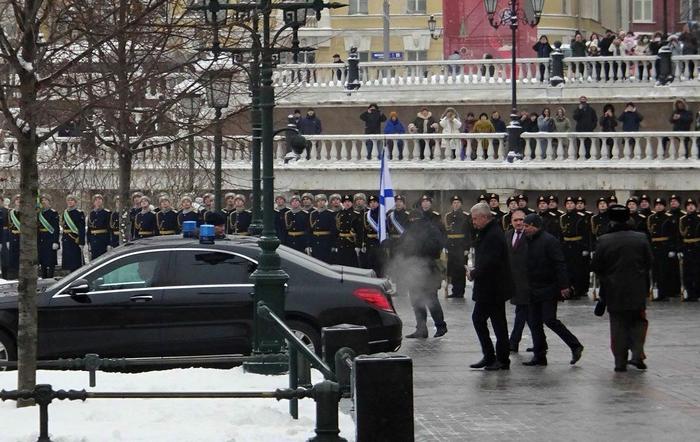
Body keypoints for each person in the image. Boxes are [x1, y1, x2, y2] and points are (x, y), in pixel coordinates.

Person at [591, 204, 652, 372]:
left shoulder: (604, 240)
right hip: (637, 288)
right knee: (638, 321)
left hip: (613, 289)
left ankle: (620, 362)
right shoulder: (641, 238)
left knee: (618, 325)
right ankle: (637, 354)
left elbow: (596, 265)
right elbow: (649, 262)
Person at [522, 213, 584, 367]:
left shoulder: (550, 241)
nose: (525, 229)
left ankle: (575, 345)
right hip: (532, 287)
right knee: (534, 322)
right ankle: (539, 356)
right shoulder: (526, 241)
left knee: (549, 320)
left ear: (535, 226)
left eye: (527, 226)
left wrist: (564, 286)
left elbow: (560, 264)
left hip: (549, 287)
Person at [467, 202, 513, 371]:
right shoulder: (487, 232)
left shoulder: (493, 234)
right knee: (496, 322)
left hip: (493, 287)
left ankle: (496, 358)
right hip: (490, 286)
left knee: (483, 320)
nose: (474, 222)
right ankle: (495, 357)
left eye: (475, 219)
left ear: (485, 217)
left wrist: (473, 273)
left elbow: (490, 262)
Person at [400, 195, 447, 339]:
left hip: (428, 268)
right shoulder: (410, 230)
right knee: (416, 299)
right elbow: (403, 247)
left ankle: (440, 326)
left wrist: (421, 250)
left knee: (430, 298)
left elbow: (437, 245)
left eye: (415, 220)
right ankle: (421, 328)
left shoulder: (431, 228)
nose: (413, 222)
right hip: (413, 269)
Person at [506, 209, 530, 353]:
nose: (519, 223)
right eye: (516, 220)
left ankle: (513, 342)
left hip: (528, 280)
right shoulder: (508, 235)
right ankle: (540, 343)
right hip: (514, 280)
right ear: (511, 222)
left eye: (521, 220)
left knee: (521, 311)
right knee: (528, 315)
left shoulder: (530, 235)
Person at [647, 198, 680, 301]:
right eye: (656, 205)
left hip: (665, 247)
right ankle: (660, 293)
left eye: (661, 205)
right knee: (656, 271)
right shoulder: (651, 218)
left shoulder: (669, 218)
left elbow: (674, 235)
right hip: (654, 247)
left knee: (664, 271)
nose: (658, 206)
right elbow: (649, 234)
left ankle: (664, 293)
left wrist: (672, 249)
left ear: (664, 206)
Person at [444, 195, 471, 298]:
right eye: (454, 203)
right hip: (451, 245)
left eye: (458, 202)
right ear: (452, 205)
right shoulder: (448, 216)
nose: (456, 204)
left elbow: (468, 233)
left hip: (461, 245)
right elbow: (446, 232)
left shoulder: (466, 215)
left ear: (461, 204)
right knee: (452, 269)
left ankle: (460, 291)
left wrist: (466, 248)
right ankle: (455, 290)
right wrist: (445, 245)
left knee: (460, 269)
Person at [679, 198, 700, 301]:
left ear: (696, 207)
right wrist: (680, 250)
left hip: (697, 248)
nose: (690, 207)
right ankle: (690, 294)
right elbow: (680, 236)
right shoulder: (682, 219)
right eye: (688, 205)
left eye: (692, 205)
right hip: (687, 248)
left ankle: (697, 293)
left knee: (697, 272)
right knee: (687, 273)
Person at [334, 194, 361, 267]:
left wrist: (358, 245)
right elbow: (336, 231)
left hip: (351, 243)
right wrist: (335, 244)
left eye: (349, 201)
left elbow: (359, 231)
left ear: (352, 203)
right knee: (341, 264)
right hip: (341, 242)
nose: (347, 203)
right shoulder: (339, 214)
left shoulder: (356, 214)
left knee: (351, 264)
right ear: (342, 203)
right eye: (345, 202)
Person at [309, 194, 336, 264]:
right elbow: (310, 230)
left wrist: (333, 245)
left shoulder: (330, 213)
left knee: (326, 261)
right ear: (316, 203)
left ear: (325, 202)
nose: (320, 202)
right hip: (315, 242)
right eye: (318, 201)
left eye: (322, 201)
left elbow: (333, 230)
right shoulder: (313, 214)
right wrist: (309, 244)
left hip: (326, 241)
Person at [62, 195, 86, 272]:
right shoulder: (65, 213)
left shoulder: (79, 213)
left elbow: (82, 229)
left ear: (75, 202)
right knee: (68, 261)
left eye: (72, 200)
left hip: (75, 240)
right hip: (66, 239)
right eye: (68, 200)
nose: (70, 202)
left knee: (75, 261)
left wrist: (81, 242)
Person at [37, 195, 60, 278]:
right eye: (42, 200)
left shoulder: (53, 213)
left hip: (50, 239)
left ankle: (50, 278)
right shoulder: (39, 213)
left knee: (51, 261)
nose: (43, 202)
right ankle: (43, 278)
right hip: (41, 239)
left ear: (49, 201)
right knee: (42, 261)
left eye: (45, 200)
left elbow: (56, 229)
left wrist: (55, 241)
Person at [87, 194, 111, 260]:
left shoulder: (107, 213)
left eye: (99, 199)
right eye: (96, 200)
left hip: (103, 240)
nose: (98, 201)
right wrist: (88, 242)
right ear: (93, 202)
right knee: (94, 259)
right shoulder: (91, 213)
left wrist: (109, 243)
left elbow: (109, 229)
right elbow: (89, 229)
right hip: (93, 240)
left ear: (102, 201)